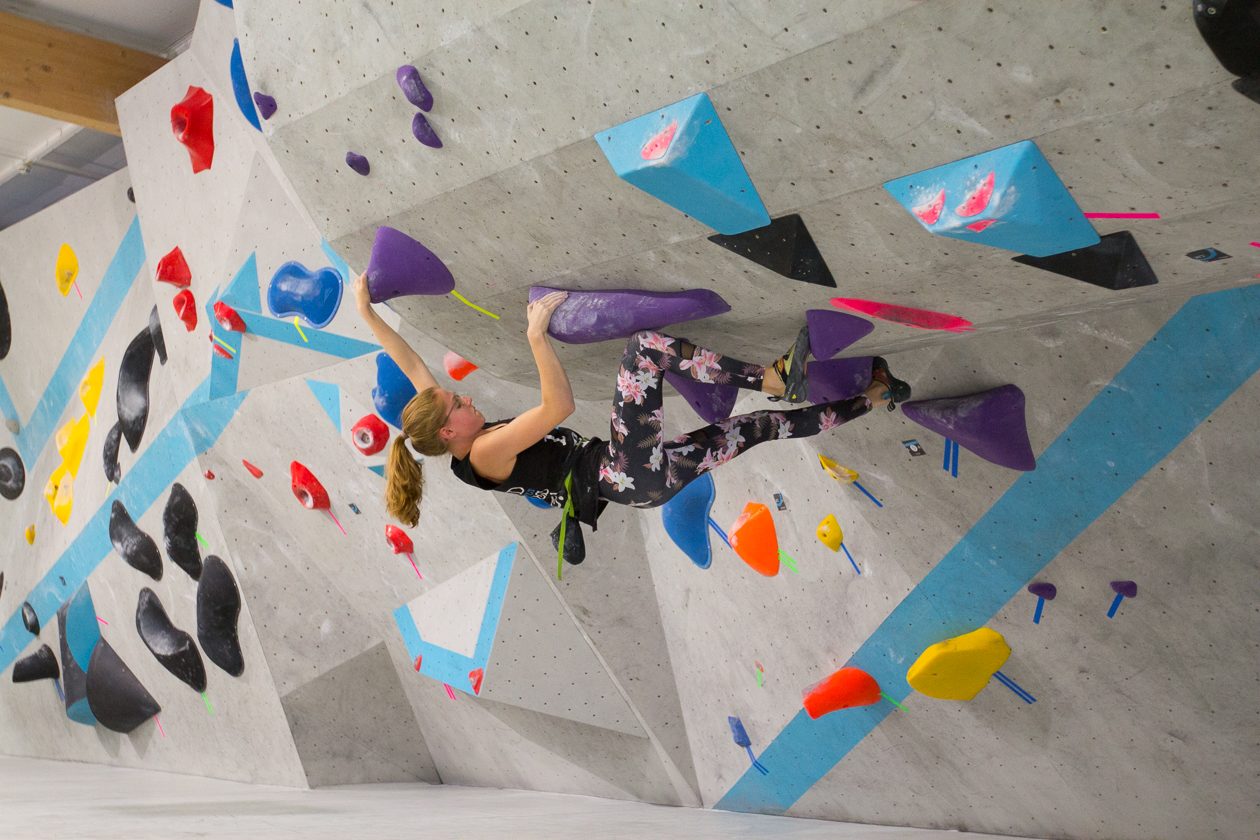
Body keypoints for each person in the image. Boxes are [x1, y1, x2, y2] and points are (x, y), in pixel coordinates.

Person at [354, 274, 909, 564]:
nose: (467, 400)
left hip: (643, 482)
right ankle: (771, 378)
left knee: (756, 429)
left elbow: (414, 365)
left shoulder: (449, 434)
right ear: (450, 432)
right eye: (459, 407)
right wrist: (535, 337)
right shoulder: (481, 454)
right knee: (643, 350)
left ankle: (876, 396)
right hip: (623, 469)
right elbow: (558, 408)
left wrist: (366, 313)